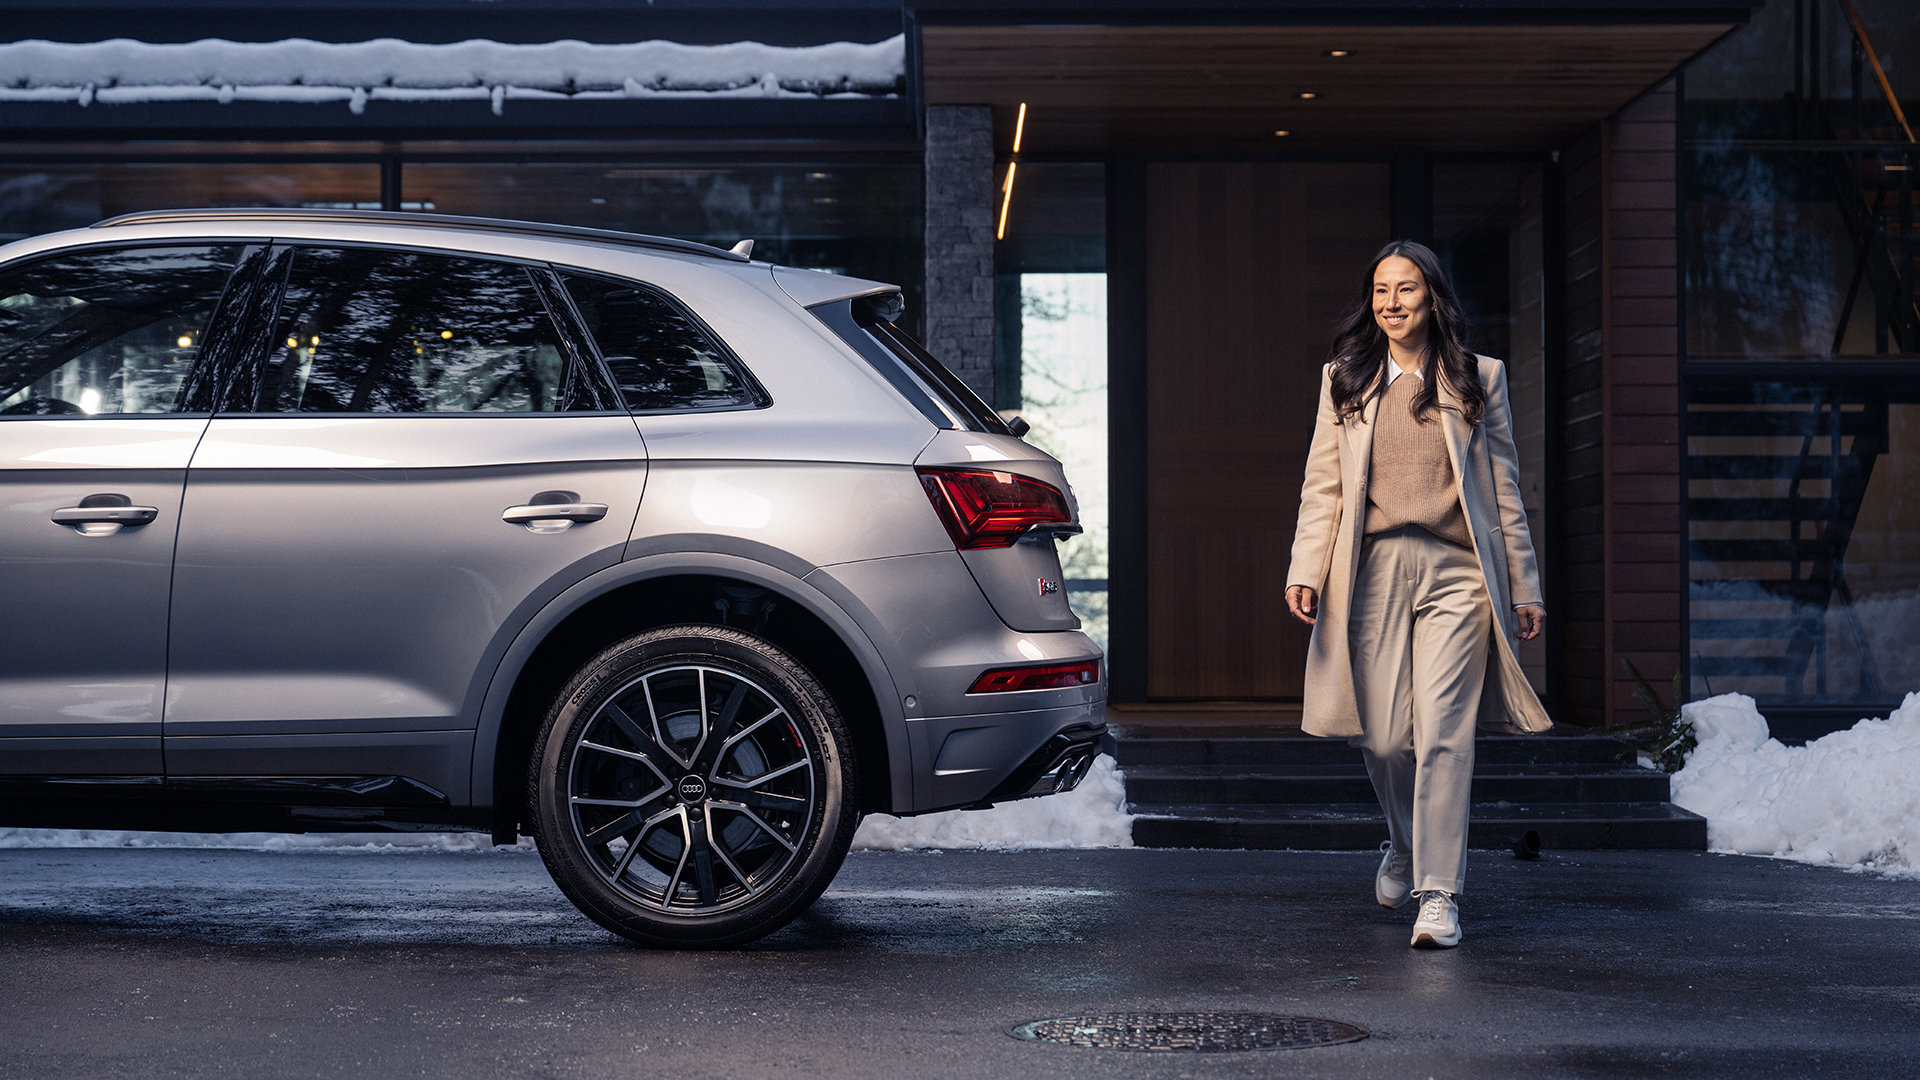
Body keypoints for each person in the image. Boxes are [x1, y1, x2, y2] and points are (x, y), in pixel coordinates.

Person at [1284, 240, 1551, 949]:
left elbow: (1503, 492)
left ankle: (1439, 895)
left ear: (1433, 296)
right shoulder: (1344, 379)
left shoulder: (1476, 378)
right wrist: (1304, 568)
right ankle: (1402, 843)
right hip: (1369, 571)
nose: (1392, 303)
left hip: (1458, 574)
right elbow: (1324, 487)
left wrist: (1524, 584)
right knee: (1383, 739)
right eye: (1380, 291)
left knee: (1442, 736)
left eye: (1406, 289)